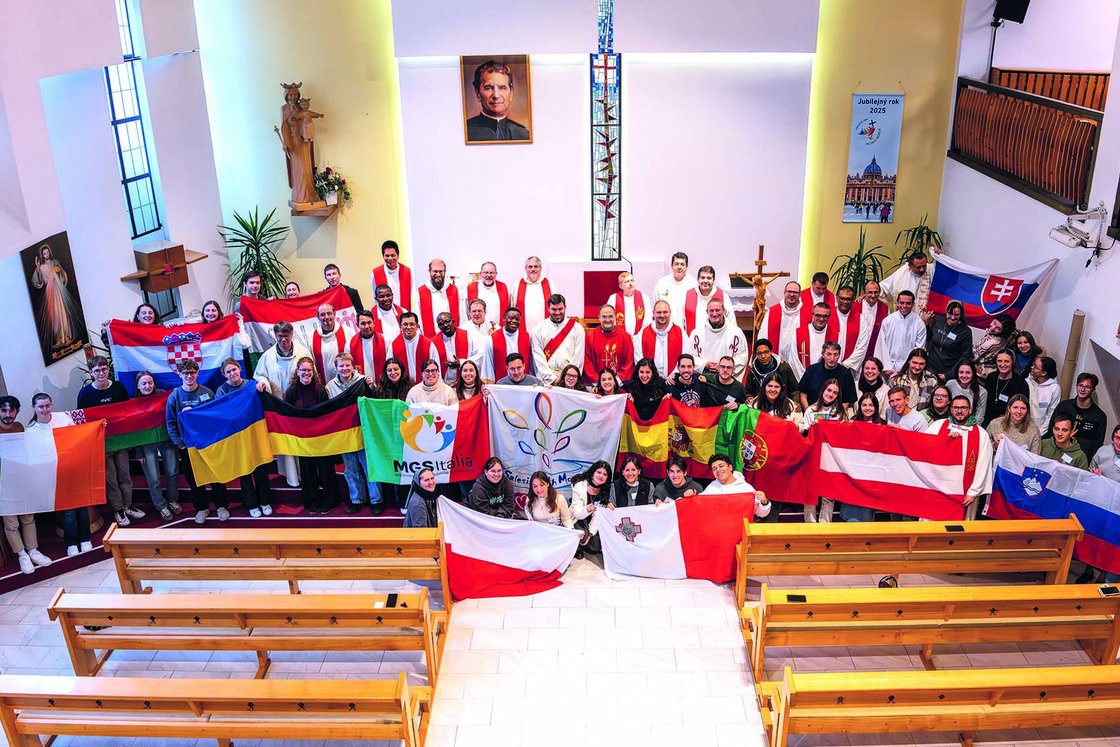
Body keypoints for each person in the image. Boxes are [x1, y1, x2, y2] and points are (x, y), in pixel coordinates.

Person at [77, 355, 142, 527]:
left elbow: (127, 412)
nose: (101, 373)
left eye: (104, 369)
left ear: (108, 369)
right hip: (101, 444)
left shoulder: (118, 387)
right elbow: (82, 419)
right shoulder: (85, 393)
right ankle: (118, 509)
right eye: (97, 370)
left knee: (125, 476)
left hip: (120, 440)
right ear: (91, 373)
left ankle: (128, 505)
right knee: (111, 479)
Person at [165, 359, 230, 523]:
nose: (189, 376)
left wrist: (214, 439)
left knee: (216, 474)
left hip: (208, 444)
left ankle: (221, 506)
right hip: (188, 446)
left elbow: (216, 417)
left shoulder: (207, 392)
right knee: (194, 478)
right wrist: (180, 443)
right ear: (179, 374)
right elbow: (170, 423)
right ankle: (202, 508)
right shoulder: (174, 397)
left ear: (198, 373)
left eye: (193, 372)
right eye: (186, 373)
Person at [28, 393, 89, 556]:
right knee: (67, 511)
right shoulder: (31, 431)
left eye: (47, 405)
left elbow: (79, 435)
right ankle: (71, 542)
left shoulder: (63, 418)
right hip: (55, 475)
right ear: (34, 408)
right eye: (41, 406)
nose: (45, 409)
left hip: (74, 469)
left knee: (82, 506)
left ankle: (85, 538)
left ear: (52, 405)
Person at [0, 396, 52, 573]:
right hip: (3, 484)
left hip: (21, 479)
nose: (8, 414)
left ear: (17, 411)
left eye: (11, 410)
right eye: (4, 410)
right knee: (11, 523)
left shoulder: (19, 427)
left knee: (28, 518)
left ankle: (33, 550)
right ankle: (22, 555)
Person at [324, 352, 381, 515]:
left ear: (353, 366)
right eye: (341, 366)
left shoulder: (363, 380)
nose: (345, 368)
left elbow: (374, 401)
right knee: (350, 469)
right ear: (336, 368)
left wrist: (372, 387)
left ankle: (376, 500)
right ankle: (357, 499)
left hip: (363, 432)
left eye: (347, 365)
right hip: (344, 434)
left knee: (369, 467)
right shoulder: (330, 387)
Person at [252, 321, 307, 486]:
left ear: (292, 335)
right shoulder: (268, 356)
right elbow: (260, 375)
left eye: (286, 336)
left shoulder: (303, 352)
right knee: (286, 441)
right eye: (280, 336)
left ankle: (306, 474)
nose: (283, 339)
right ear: (275, 336)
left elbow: (311, 373)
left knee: (302, 440)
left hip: (299, 407)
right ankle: (292, 476)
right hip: (279, 406)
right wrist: (263, 382)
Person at [216, 358, 273, 518]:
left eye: (234, 369)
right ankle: (252, 504)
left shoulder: (251, 385)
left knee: (261, 469)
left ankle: (265, 501)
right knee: (244, 471)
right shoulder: (221, 391)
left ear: (239, 368)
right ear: (223, 374)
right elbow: (220, 414)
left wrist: (262, 386)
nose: (232, 373)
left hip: (255, 434)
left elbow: (263, 403)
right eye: (228, 372)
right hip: (237, 437)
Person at [284, 356, 339, 514]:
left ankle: (329, 501)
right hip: (303, 439)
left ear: (313, 372)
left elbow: (327, 413)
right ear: (297, 371)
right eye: (303, 370)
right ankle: (312, 501)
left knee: (325, 469)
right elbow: (287, 413)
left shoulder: (320, 390)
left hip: (321, 437)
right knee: (307, 471)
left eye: (309, 370)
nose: (306, 373)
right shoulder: (291, 391)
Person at [924, 396, 994, 520]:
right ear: (950, 409)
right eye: (956, 407)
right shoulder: (937, 426)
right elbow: (923, 450)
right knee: (931, 526)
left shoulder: (981, 434)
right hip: (937, 488)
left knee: (959, 527)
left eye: (963, 408)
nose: (959, 411)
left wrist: (973, 492)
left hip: (965, 493)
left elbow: (984, 465)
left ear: (970, 410)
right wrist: (944, 441)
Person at [129, 372, 181, 521]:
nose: (148, 386)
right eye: (144, 383)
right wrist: (139, 453)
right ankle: (161, 505)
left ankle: (172, 500)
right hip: (146, 445)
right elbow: (133, 430)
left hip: (166, 441)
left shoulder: (162, 395)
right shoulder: (133, 402)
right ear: (138, 386)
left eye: (150, 382)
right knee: (153, 478)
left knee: (172, 472)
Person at [30, 242, 80, 349]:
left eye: (47, 252)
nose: (46, 255)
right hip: (50, 292)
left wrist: (58, 270)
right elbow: (38, 281)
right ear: (42, 255)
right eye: (44, 253)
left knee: (62, 312)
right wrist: (38, 268)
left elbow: (62, 274)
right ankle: (59, 338)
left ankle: (66, 336)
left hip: (58, 290)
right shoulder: (41, 267)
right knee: (55, 315)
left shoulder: (55, 262)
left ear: (50, 252)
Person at [465, 60, 530, 141]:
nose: (496, 95)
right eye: (488, 88)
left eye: (502, 88)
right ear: (478, 93)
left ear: (511, 93)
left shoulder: (523, 134)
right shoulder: (465, 131)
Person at [1048, 373, 1109, 457]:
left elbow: (1097, 444)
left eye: (1087, 387)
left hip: (1081, 458)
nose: (1083, 389)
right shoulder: (1063, 407)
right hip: (1056, 452)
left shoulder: (1099, 417)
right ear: (1076, 386)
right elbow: (1051, 430)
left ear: (1093, 390)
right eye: (1080, 385)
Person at [688, 297, 749, 381]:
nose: (714, 313)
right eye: (711, 310)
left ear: (724, 311)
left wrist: (723, 366)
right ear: (707, 312)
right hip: (704, 378)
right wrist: (704, 364)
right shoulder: (697, 333)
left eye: (717, 310)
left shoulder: (735, 332)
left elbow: (742, 356)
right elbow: (690, 355)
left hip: (726, 379)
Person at [530, 294, 586, 385]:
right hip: (546, 381)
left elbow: (578, 356)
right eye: (554, 309)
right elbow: (538, 358)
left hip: (569, 380)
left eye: (560, 309)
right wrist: (551, 379)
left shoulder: (577, 329)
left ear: (565, 308)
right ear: (548, 308)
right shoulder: (538, 329)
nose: (557, 312)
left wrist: (567, 377)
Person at [699, 455, 773, 518]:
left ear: (730, 467)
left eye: (721, 466)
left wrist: (764, 503)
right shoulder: (712, 487)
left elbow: (761, 513)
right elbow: (699, 504)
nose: (718, 470)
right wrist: (693, 496)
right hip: (718, 528)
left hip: (739, 529)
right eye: (714, 469)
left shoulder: (746, 488)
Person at [874, 291, 926, 375]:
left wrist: (908, 367)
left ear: (913, 304)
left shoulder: (919, 324)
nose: (904, 306)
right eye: (902, 303)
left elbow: (919, 349)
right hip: (887, 367)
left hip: (908, 369)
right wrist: (886, 366)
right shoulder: (888, 321)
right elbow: (881, 345)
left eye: (908, 303)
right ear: (897, 303)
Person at [569, 460, 614, 555]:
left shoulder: (605, 491)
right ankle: (577, 547)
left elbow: (597, 517)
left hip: (593, 520)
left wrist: (591, 534)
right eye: (599, 472)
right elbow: (577, 514)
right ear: (593, 473)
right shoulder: (579, 486)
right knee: (582, 536)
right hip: (577, 518)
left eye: (605, 474)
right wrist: (587, 509)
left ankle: (584, 543)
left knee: (596, 545)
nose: (601, 476)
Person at [765, 281, 808, 378]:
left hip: (798, 358)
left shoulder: (807, 313)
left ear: (800, 294)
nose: (792, 294)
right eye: (789, 291)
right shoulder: (772, 312)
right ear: (784, 293)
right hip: (777, 356)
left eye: (795, 292)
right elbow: (763, 335)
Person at [583, 304, 634, 384]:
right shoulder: (590, 337)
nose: (607, 320)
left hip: (620, 383)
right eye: (604, 317)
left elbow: (629, 363)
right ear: (599, 318)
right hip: (596, 384)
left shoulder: (625, 337)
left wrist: (616, 381)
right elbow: (587, 362)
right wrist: (599, 381)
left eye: (610, 316)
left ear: (615, 317)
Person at [634, 300, 684, 379]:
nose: (662, 315)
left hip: (674, 379)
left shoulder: (680, 332)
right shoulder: (644, 332)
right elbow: (638, 357)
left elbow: (686, 357)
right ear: (653, 313)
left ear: (670, 313)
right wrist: (648, 375)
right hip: (649, 381)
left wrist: (675, 374)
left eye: (665, 312)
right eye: (659, 312)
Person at [799, 342, 856, 410]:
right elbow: (803, 395)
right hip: (812, 410)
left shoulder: (846, 374)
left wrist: (836, 415)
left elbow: (846, 401)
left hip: (835, 413)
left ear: (839, 356)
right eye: (829, 354)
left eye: (835, 355)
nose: (832, 358)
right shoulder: (811, 370)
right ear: (823, 354)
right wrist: (808, 412)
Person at [925, 300, 973, 380]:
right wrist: (926, 324)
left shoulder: (965, 331)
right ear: (946, 312)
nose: (953, 317)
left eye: (956, 315)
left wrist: (949, 375)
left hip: (946, 372)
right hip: (930, 367)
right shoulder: (939, 321)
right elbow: (929, 337)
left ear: (961, 315)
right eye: (950, 313)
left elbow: (965, 356)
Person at [982, 349, 1029, 427]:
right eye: (999, 361)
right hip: (988, 422)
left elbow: (1022, 408)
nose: (1003, 364)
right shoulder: (991, 377)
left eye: (1006, 361)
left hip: (1008, 424)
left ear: (1012, 362)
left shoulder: (1020, 383)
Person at [830, 286, 871, 372]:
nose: (845, 302)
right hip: (828, 365)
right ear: (837, 298)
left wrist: (846, 365)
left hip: (849, 368)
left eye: (848, 299)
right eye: (842, 298)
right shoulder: (828, 315)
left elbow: (862, 345)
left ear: (853, 300)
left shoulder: (861, 319)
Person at [416, 258, 460, 338]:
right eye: (435, 271)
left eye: (441, 271)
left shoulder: (454, 290)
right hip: (430, 339)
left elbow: (462, 315)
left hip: (452, 338)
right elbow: (417, 318)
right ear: (429, 271)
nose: (438, 274)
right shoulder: (420, 292)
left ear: (445, 272)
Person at [653, 252, 698, 328]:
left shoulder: (693, 284)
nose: (679, 267)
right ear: (671, 266)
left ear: (687, 266)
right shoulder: (662, 283)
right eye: (676, 264)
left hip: (687, 328)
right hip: (666, 328)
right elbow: (656, 305)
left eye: (682, 264)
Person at [391, 311, 438, 382]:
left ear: (417, 326)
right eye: (405, 324)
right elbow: (390, 368)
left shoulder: (429, 344)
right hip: (401, 386)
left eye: (411, 324)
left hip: (425, 385)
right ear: (400, 327)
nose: (408, 327)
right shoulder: (393, 346)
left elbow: (436, 368)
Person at [791, 302, 836, 376]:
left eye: (825, 316)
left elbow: (837, 359)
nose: (821, 319)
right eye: (818, 315)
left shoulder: (836, 335)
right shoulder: (798, 333)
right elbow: (794, 360)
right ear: (812, 315)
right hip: (803, 378)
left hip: (827, 379)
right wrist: (805, 378)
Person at [490, 306, 533, 382]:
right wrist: (490, 384)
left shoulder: (527, 337)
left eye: (517, 319)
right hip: (501, 383)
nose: (514, 321)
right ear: (504, 318)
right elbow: (489, 363)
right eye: (511, 318)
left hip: (523, 383)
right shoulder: (492, 338)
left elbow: (531, 363)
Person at [310, 303, 348, 383]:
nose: (326, 317)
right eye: (322, 314)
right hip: (324, 383)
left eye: (329, 313)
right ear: (318, 317)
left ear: (334, 314)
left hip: (347, 382)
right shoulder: (311, 337)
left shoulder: (347, 332)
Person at [370, 239, 412, 311]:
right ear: (383, 256)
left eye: (393, 255)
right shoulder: (375, 273)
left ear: (398, 255)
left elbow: (409, 294)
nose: (390, 258)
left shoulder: (407, 272)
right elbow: (376, 296)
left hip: (403, 313)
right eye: (387, 256)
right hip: (384, 313)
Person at [347, 310, 388, 383]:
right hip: (360, 385)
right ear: (357, 325)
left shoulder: (385, 340)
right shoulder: (350, 344)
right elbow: (348, 367)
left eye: (369, 323)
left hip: (382, 384)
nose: (366, 326)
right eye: (363, 323)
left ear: (374, 323)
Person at [682, 265, 725, 333]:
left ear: (713, 280)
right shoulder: (688, 295)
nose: (705, 281)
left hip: (718, 338)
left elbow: (731, 321)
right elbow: (681, 320)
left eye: (709, 278)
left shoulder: (722, 295)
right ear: (698, 279)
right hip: (693, 338)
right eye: (702, 278)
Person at [434, 311, 473, 384]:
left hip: (466, 381)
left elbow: (478, 356)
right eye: (441, 324)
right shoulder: (433, 343)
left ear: (453, 321)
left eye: (447, 321)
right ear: (438, 327)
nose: (445, 325)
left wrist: (461, 362)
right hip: (445, 383)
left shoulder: (468, 336)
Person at [972, 313, 1016, 379]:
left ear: (1003, 332)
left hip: (981, 372)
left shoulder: (990, 344)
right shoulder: (1008, 336)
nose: (993, 328)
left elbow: (972, 358)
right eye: (994, 323)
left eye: (998, 328)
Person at [467, 262, 508, 329]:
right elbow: (466, 310)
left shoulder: (503, 287)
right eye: (486, 272)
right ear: (480, 274)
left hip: (498, 329)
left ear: (496, 274)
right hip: (477, 329)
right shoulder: (471, 288)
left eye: (491, 273)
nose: (488, 275)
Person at [947, 360, 987, 426]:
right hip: (950, 423)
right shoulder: (950, 384)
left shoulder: (982, 392)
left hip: (969, 425)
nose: (964, 375)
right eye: (961, 372)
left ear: (973, 374)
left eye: (968, 373)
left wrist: (971, 429)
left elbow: (979, 417)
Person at [516, 256, 552, 331]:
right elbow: (512, 307)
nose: (533, 269)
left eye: (536, 266)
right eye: (530, 267)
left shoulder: (550, 284)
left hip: (545, 330)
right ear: (525, 268)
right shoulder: (517, 285)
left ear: (540, 268)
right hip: (523, 330)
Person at [859, 280, 890, 365]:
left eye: (876, 292)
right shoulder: (855, 305)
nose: (873, 295)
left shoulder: (884, 308)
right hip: (857, 348)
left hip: (874, 348)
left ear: (879, 293)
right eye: (870, 292)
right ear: (864, 293)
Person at [1028, 356, 1061, 435]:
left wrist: (1039, 433)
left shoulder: (1054, 388)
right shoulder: (1027, 382)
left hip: (1041, 432)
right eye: (1033, 365)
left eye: (1036, 367)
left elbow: (1051, 414)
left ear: (1044, 373)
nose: (1032, 368)